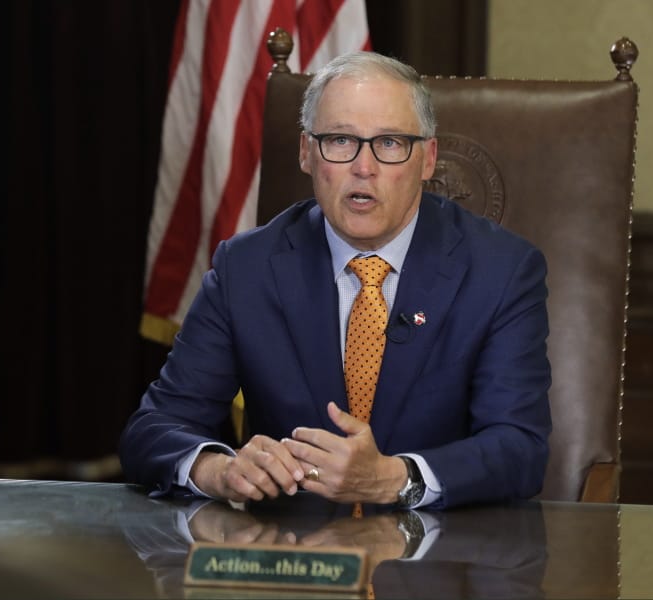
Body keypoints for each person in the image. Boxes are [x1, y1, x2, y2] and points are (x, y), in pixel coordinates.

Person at [119, 50, 551, 510]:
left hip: (438, 563)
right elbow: (153, 430)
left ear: (427, 159)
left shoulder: (501, 270)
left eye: (389, 143)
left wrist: (397, 479)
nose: (363, 167)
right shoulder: (245, 268)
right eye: (341, 141)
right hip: (291, 560)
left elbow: (519, 448)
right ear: (307, 153)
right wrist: (220, 471)